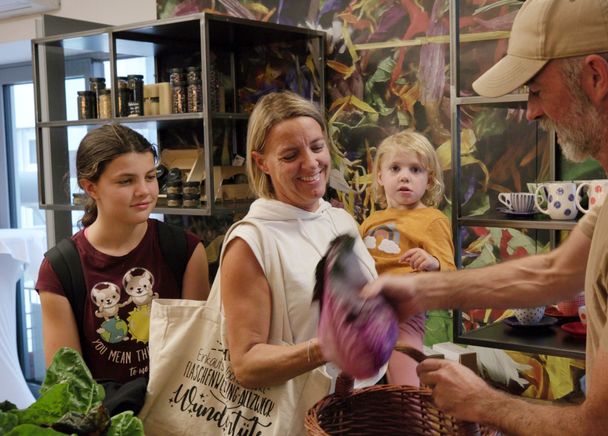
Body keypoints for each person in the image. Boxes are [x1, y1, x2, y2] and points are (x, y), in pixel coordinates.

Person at [362, 0, 608, 434]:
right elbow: (555, 270)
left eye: (536, 90)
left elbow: (602, 428)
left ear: (595, 77)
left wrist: (482, 403)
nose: (532, 111)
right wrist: (419, 291)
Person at [217, 91, 382, 433]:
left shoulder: (339, 220)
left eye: (317, 147)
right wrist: (328, 345)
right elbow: (246, 365)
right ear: (261, 162)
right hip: (299, 422)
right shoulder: (251, 242)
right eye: (291, 155)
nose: (311, 163)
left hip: (362, 413)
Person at [36, 124, 210, 384]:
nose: (144, 191)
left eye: (150, 177)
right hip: (103, 420)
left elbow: (201, 356)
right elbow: (67, 385)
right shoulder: (60, 267)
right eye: (126, 181)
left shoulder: (185, 250)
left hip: (174, 415)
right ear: (91, 188)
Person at [359, 131, 455, 386]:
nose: (405, 176)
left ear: (429, 180)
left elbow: (452, 275)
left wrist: (433, 262)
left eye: (415, 170)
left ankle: (410, 411)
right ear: (379, 176)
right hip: (366, 308)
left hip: (404, 310)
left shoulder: (432, 219)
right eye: (395, 168)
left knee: (403, 372)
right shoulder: (370, 221)